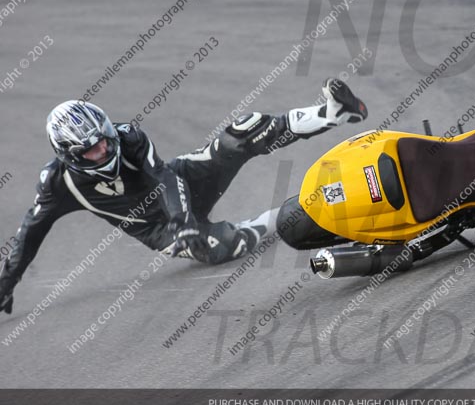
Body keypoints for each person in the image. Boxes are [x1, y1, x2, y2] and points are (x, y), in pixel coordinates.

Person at [0, 78, 367, 314]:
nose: (104, 150)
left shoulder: (128, 137)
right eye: (92, 150)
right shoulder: (57, 185)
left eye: (105, 141)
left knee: (240, 133)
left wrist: (183, 219)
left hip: (180, 185)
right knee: (222, 246)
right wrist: (6, 282)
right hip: (159, 230)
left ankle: (331, 113)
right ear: (70, 156)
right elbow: (29, 233)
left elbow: (163, 177)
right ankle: (291, 213)